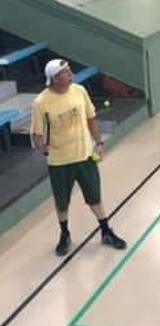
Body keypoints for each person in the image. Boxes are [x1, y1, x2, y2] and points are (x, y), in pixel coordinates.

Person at [30, 59, 126, 256]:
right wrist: (42, 145)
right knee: (62, 202)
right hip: (59, 162)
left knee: (95, 197)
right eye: (66, 72)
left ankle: (106, 231)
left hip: (84, 156)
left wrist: (98, 142)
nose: (70, 73)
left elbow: (90, 118)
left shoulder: (79, 91)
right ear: (55, 78)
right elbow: (37, 135)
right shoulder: (41, 102)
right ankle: (64, 234)